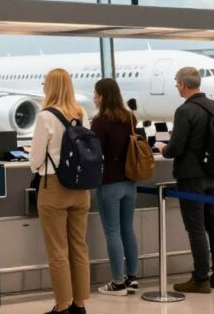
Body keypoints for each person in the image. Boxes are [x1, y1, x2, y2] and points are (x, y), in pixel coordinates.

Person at [158, 67, 214, 294]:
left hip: (190, 176)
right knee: (213, 224)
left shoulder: (184, 111)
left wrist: (163, 148)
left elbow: (176, 147)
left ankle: (200, 278)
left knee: (196, 227)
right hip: (213, 173)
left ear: (181, 85)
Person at [31, 68, 91, 314]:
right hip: (81, 188)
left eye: (45, 82)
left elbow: (35, 160)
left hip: (54, 187)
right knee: (79, 247)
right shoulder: (81, 113)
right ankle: (79, 304)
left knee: (58, 251)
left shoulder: (45, 116)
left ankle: (63, 306)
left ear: (51, 87)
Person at [90, 78, 138, 296]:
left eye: (96, 93)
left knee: (112, 232)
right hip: (129, 181)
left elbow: (95, 152)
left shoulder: (100, 121)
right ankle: (132, 278)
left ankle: (117, 283)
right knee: (128, 229)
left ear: (102, 96)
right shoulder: (129, 117)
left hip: (109, 182)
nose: (94, 97)